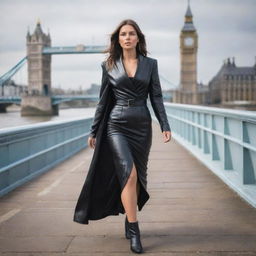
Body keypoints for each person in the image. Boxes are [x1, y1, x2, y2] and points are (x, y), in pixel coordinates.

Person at [73, 19, 171, 254]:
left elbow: (156, 96)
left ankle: (129, 217)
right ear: (118, 40)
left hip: (142, 125)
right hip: (116, 124)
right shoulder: (108, 65)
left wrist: (164, 124)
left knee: (138, 178)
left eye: (131, 33)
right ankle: (135, 230)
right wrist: (94, 130)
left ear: (138, 38)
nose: (127, 37)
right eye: (123, 34)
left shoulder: (150, 64)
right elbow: (103, 101)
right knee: (129, 174)